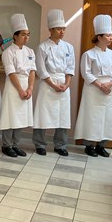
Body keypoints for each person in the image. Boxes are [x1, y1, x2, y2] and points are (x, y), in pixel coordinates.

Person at [74, 14, 112, 157]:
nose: (111, 38)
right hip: (93, 89)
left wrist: (110, 83)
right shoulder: (88, 54)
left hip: (109, 89)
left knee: (107, 117)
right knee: (92, 117)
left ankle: (102, 145)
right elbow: (86, 73)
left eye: (111, 35)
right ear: (99, 37)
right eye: (108, 35)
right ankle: (89, 145)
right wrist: (100, 85)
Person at [32, 9, 75, 156]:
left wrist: (66, 84)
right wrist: (53, 85)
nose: (62, 32)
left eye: (63, 29)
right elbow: (41, 70)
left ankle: (60, 145)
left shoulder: (68, 47)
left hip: (63, 84)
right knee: (42, 115)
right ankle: (40, 144)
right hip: (47, 84)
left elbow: (70, 68)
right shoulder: (42, 47)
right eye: (58, 29)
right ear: (50, 30)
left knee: (63, 115)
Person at [0, 13, 36, 157]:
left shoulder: (30, 51)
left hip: (26, 85)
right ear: (15, 36)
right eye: (23, 34)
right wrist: (20, 89)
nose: (26, 37)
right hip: (14, 86)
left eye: (28, 35)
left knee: (21, 117)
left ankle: (15, 144)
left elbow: (32, 71)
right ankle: (6, 145)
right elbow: (11, 72)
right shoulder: (8, 52)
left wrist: (30, 88)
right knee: (10, 116)